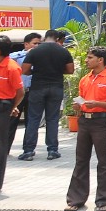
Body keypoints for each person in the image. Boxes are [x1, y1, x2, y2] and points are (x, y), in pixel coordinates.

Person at [64, 46, 106, 211]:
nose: (86, 60)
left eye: (90, 57)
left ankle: (104, 200)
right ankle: (76, 199)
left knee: (103, 161)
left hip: (101, 121)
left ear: (100, 60)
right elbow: (81, 100)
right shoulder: (85, 79)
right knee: (81, 159)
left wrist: (97, 104)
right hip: (84, 120)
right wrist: (79, 106)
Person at [19, 29, 73, 162]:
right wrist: (57, 71)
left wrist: (35, 71)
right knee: (52, 119)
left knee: (34, 119)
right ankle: (52, 150)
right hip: (56, 87)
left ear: (45, 38)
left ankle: (29, 151)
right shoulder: (63, 51)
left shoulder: (35, 51)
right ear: (57, 39)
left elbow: (24, 70)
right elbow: (70, 70)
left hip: (38, 87)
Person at [0, 35, 25, 194]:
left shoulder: (11, 67)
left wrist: (12, 107)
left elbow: (20, 92)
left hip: (3, 105)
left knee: (0, 145)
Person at [7, 32, 39, 153]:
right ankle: (5, 149)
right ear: (26, 44)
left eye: (39, 44)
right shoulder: (16, 56)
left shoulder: (40, 57)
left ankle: (28, 149)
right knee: (11, 122)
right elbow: (8, 58)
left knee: (31, 122)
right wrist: (26, 53)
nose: (37, 46)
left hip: (33, 92)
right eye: (34, 43)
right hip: (18, 93)